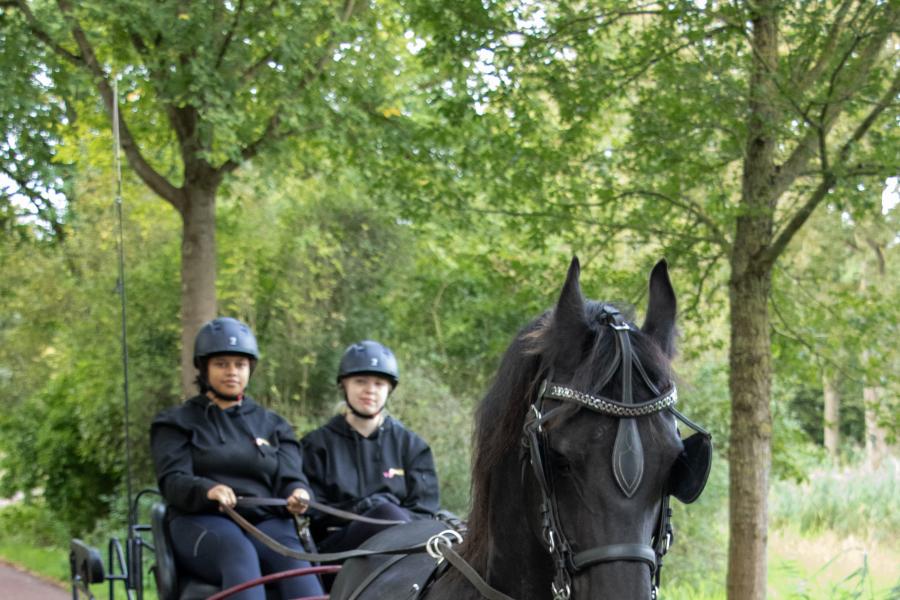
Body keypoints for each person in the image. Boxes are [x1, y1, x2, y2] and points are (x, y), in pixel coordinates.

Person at [150, 317, 323, 600]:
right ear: (204, 367)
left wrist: (299, 493)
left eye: (240, 365)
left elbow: (292, 476)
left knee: (297, 567)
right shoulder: (175, 422)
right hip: (202, 521)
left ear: (250, 369)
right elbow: (173, 481)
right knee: (237, 552)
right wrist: (208, 489)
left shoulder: (274, 425)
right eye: (222, 364)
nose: (232, 372)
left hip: (267, 522)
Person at [301, 340, 440, 553]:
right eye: (360, 381)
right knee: (387, 512)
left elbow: (424, 512)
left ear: (389, 389)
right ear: (344, 385)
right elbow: (313, 512)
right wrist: (367, 508)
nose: (370, 391)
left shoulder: (412, 447)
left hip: (400, 550)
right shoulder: (316, 445)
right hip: (339, 551)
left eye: (379, 384)